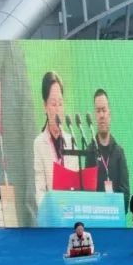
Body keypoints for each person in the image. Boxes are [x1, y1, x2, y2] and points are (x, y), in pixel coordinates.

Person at [32, 71, 78, 207]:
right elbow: (40, 190)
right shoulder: (39, 144)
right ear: (45, 106)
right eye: (53, 104)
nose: (58, 110)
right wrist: (49, 212)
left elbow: (77, 186)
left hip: (72, 210)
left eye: (60, 104)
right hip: (51, 212)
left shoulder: (71, 141)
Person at [85, 89, 129, 205]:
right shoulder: (90, 151)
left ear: (109, 114)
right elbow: (87, 192)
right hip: (96, 213)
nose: (101, 115)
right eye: (98, 111)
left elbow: (125, 192)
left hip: (115, 213)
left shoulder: (119, 152)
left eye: (104, 110)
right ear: (95, 115)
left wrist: (115, 210)